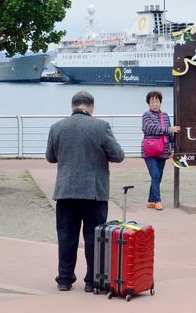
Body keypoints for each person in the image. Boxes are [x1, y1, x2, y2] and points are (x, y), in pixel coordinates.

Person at [45, 91, 125, 292]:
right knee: (94, 237)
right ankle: (92, 280)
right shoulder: (101, 127)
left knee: (66, 235)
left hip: (65, 191)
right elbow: (118, 155)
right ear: (92, 107)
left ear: (72, 106)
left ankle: (64, 279)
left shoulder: (57, 127)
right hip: (94, 192)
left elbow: (50, 157)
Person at [142, 90, 180, 210]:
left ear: (160, 102)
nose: (155, 104)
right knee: (155, 174)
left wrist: (173, 147)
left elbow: (170, 135)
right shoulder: (146, 115)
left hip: (163, 149)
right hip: (149, 150)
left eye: (157, 101)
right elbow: (150, 128)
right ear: (148, 103)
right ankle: (158, 201)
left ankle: (150, 201)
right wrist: (169, 129)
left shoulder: (165, 116)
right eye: (152, 101)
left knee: (158, 177)